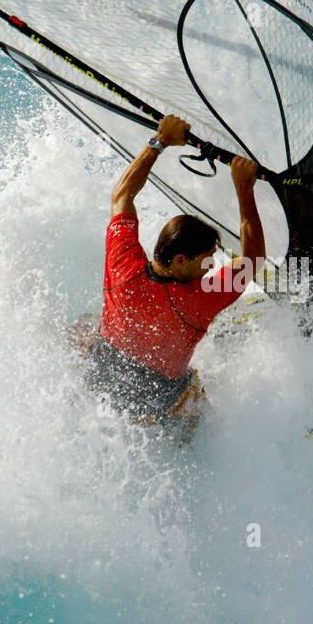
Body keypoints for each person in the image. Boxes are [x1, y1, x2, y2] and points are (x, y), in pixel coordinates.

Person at [71, 115, 265, 434]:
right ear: (179, 260)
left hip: (100, 381)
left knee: (84, 326)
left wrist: (159, 142)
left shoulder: (123, 263)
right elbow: (252, 259)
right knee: (194, 388)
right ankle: (190, 443)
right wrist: (244, 189)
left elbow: (122, 195)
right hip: (155, 402)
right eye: (206, 259)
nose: (211, 267)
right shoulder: (200, 300)